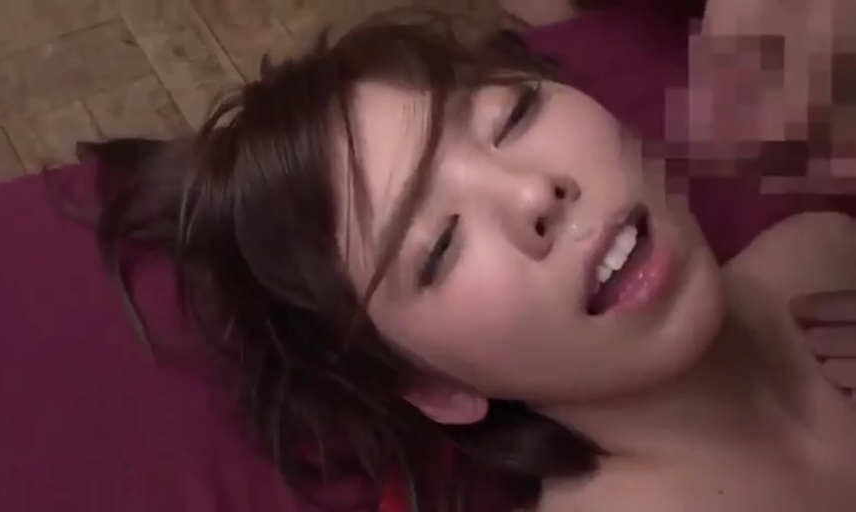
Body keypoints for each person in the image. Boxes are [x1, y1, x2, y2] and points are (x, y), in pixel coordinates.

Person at [70, 13, 856, 512]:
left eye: (513, 116)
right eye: (440, 248)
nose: (533, 193)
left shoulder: (824, 247)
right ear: (438, 388)